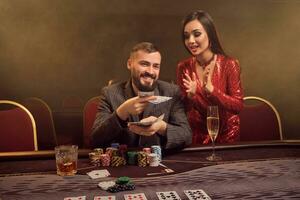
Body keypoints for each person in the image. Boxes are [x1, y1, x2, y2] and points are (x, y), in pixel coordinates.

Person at [92, 42, 192, 149]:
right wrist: (121, 112)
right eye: (144, 64)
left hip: (160, 162)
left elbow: (186, 136)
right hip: (124, 163)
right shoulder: (109, 93)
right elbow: (96, 139)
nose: (150, 71)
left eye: (156, 66)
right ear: (129, 64)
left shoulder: (172, 92)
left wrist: (162, 127)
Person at [176, 10, 244, 144]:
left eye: (197, 34)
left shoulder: (229, 64)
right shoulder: (183, 67)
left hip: (226, 137)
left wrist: (212, 90)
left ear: (210, 34)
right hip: (196, 138)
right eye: (186, 36)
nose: (190, 41)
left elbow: (238, 106)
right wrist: (190, 97)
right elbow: (180, 109)